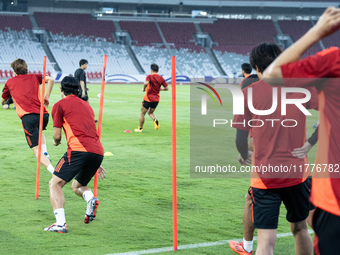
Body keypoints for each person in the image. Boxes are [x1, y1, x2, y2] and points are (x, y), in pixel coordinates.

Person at [263, 6, 340, 254]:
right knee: (299, 226)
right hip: (298, 175)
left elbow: (272, 74)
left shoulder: (334, 61)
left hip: (334, 199)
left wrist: (317, 31)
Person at [231, 43, 318, 255]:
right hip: (298, 174)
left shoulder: (247, 94)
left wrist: (244, 155)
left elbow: (240, 138)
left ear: (256, 68)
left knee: (266, 239)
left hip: (265, 176)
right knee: (300, 229)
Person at [44, 76, 106, 233]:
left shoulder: (59, 105)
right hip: (97, 151)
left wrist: (56, 142)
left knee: (55, 184)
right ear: (78, 90)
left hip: (78, 150)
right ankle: (90, 199)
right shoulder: (87, 106)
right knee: (77, 185)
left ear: (61, 90)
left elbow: (57, 136)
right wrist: (96, 162)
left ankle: (60, 224)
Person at [1, 59, 55, 174]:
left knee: (36, 150)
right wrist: (47, 97)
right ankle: (46, 153)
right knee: (40, 132)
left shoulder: (9, 82)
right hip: (43, 114)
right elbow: (51, 79)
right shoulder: (34, 77)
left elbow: (3, 100)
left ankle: (55, 173)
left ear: (14, 71)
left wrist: (5, 100)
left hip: (28, 117)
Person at [135, 63, 168, 132]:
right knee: (150, 112)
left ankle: (140, 129)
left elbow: (146, 83)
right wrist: (161, 89)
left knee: (142, 113)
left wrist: (144, 88)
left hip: (148, 98)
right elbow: (167, 88)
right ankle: (155, 120)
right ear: (158, 71)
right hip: (156, 99)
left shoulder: (149, 76)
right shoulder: (161, 78)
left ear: (151, 70)